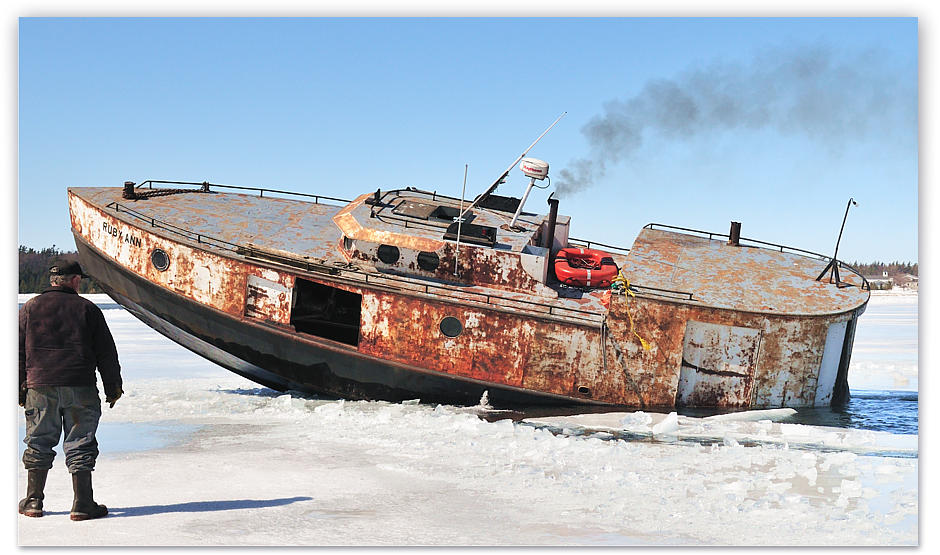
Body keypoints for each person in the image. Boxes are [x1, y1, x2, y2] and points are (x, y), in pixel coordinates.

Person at [18, 260, 123, 521]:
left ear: (53, 280)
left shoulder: (30, 308)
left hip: (40, 386)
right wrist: (113, 388)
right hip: (80, 386)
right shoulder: (87, 308)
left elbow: (17, 352)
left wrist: (20, 389)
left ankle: (33, 502)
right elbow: (106, 353)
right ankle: (82, 503)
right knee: (80, 444)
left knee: (39, 442)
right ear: (75, 280)